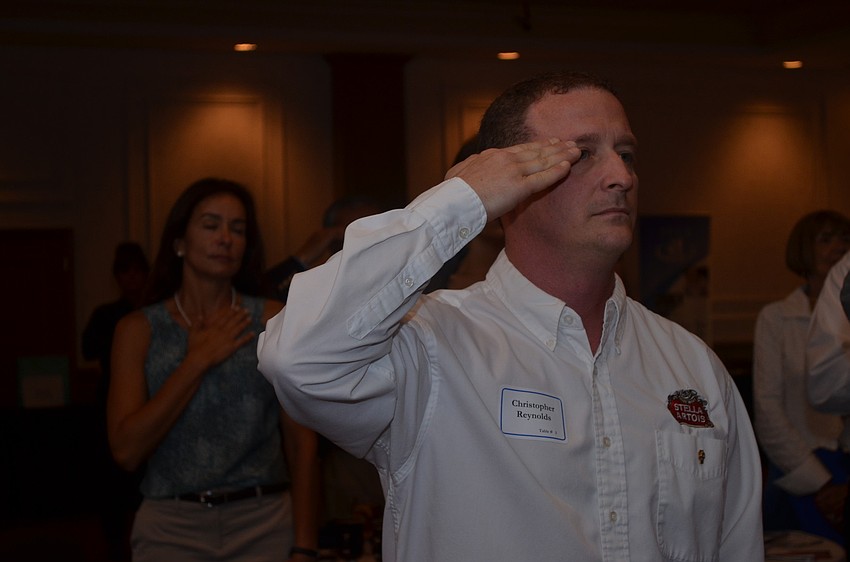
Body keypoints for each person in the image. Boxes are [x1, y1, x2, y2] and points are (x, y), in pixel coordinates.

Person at [257, 71, 763, 560]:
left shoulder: (692, 366)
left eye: (626, 153)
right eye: (583, 154)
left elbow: (736, 545)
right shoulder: (430, 345)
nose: (623, 177)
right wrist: (461, 201)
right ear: (511, 184)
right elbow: (298, 360)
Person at [108, 178, 319, 561]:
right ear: (179, 242)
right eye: (211, 225)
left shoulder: (272, 318)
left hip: (264, 521)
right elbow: (125, 450)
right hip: (171, 527)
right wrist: (197, 361)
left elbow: (301, 441)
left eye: (237, 229)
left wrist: (305, 543)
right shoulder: (138, 330)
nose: (225, 238)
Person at [754, 211, 850, 542]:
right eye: (825, 239)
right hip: (799, 470)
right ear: (803, 251)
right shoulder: (776, 318)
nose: (838, 247)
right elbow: (767, 409)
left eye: (844, 239)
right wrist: (822, 484)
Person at [82, 241, 149, 561]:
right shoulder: (105, 315)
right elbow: (87, 351)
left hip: (152, 404)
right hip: (111, 406)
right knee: (111, 485)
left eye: (137, 271)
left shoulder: (157, 311)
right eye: (126, 272)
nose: (132, 278)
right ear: (117, 277)